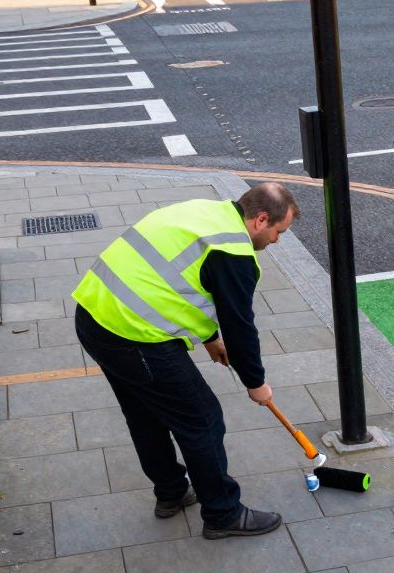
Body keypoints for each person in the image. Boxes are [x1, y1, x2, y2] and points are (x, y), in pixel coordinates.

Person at [72, 183, 298, 539]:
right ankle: (223, 513)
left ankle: (171, 493)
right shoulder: (234, 252)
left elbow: (176, 277)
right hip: (135, 335)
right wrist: (255, 383)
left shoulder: (207, 213)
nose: (277, 241)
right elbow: (240, 326)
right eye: (278, 232)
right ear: (261, 220)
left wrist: (208, 338)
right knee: (203, 420)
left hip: (94, 315)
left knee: (145, 413)